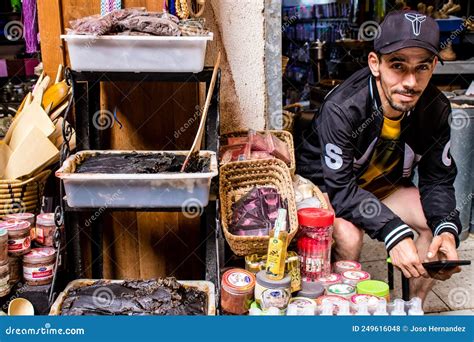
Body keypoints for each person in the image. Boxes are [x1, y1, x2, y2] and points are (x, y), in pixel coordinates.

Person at [296, 10, 462, 302]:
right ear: (376, 64)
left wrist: (446, 230)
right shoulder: (343, 108)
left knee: (435, 224)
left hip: (382, 187)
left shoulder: (435, 108)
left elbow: (438, 180)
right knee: (349, 235)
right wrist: (393, 231)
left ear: (434, 66)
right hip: (327, 189)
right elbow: (341, 189)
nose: (410, 82)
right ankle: (344, 305)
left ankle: (411, 312)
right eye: (398, 65)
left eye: (421, 67)